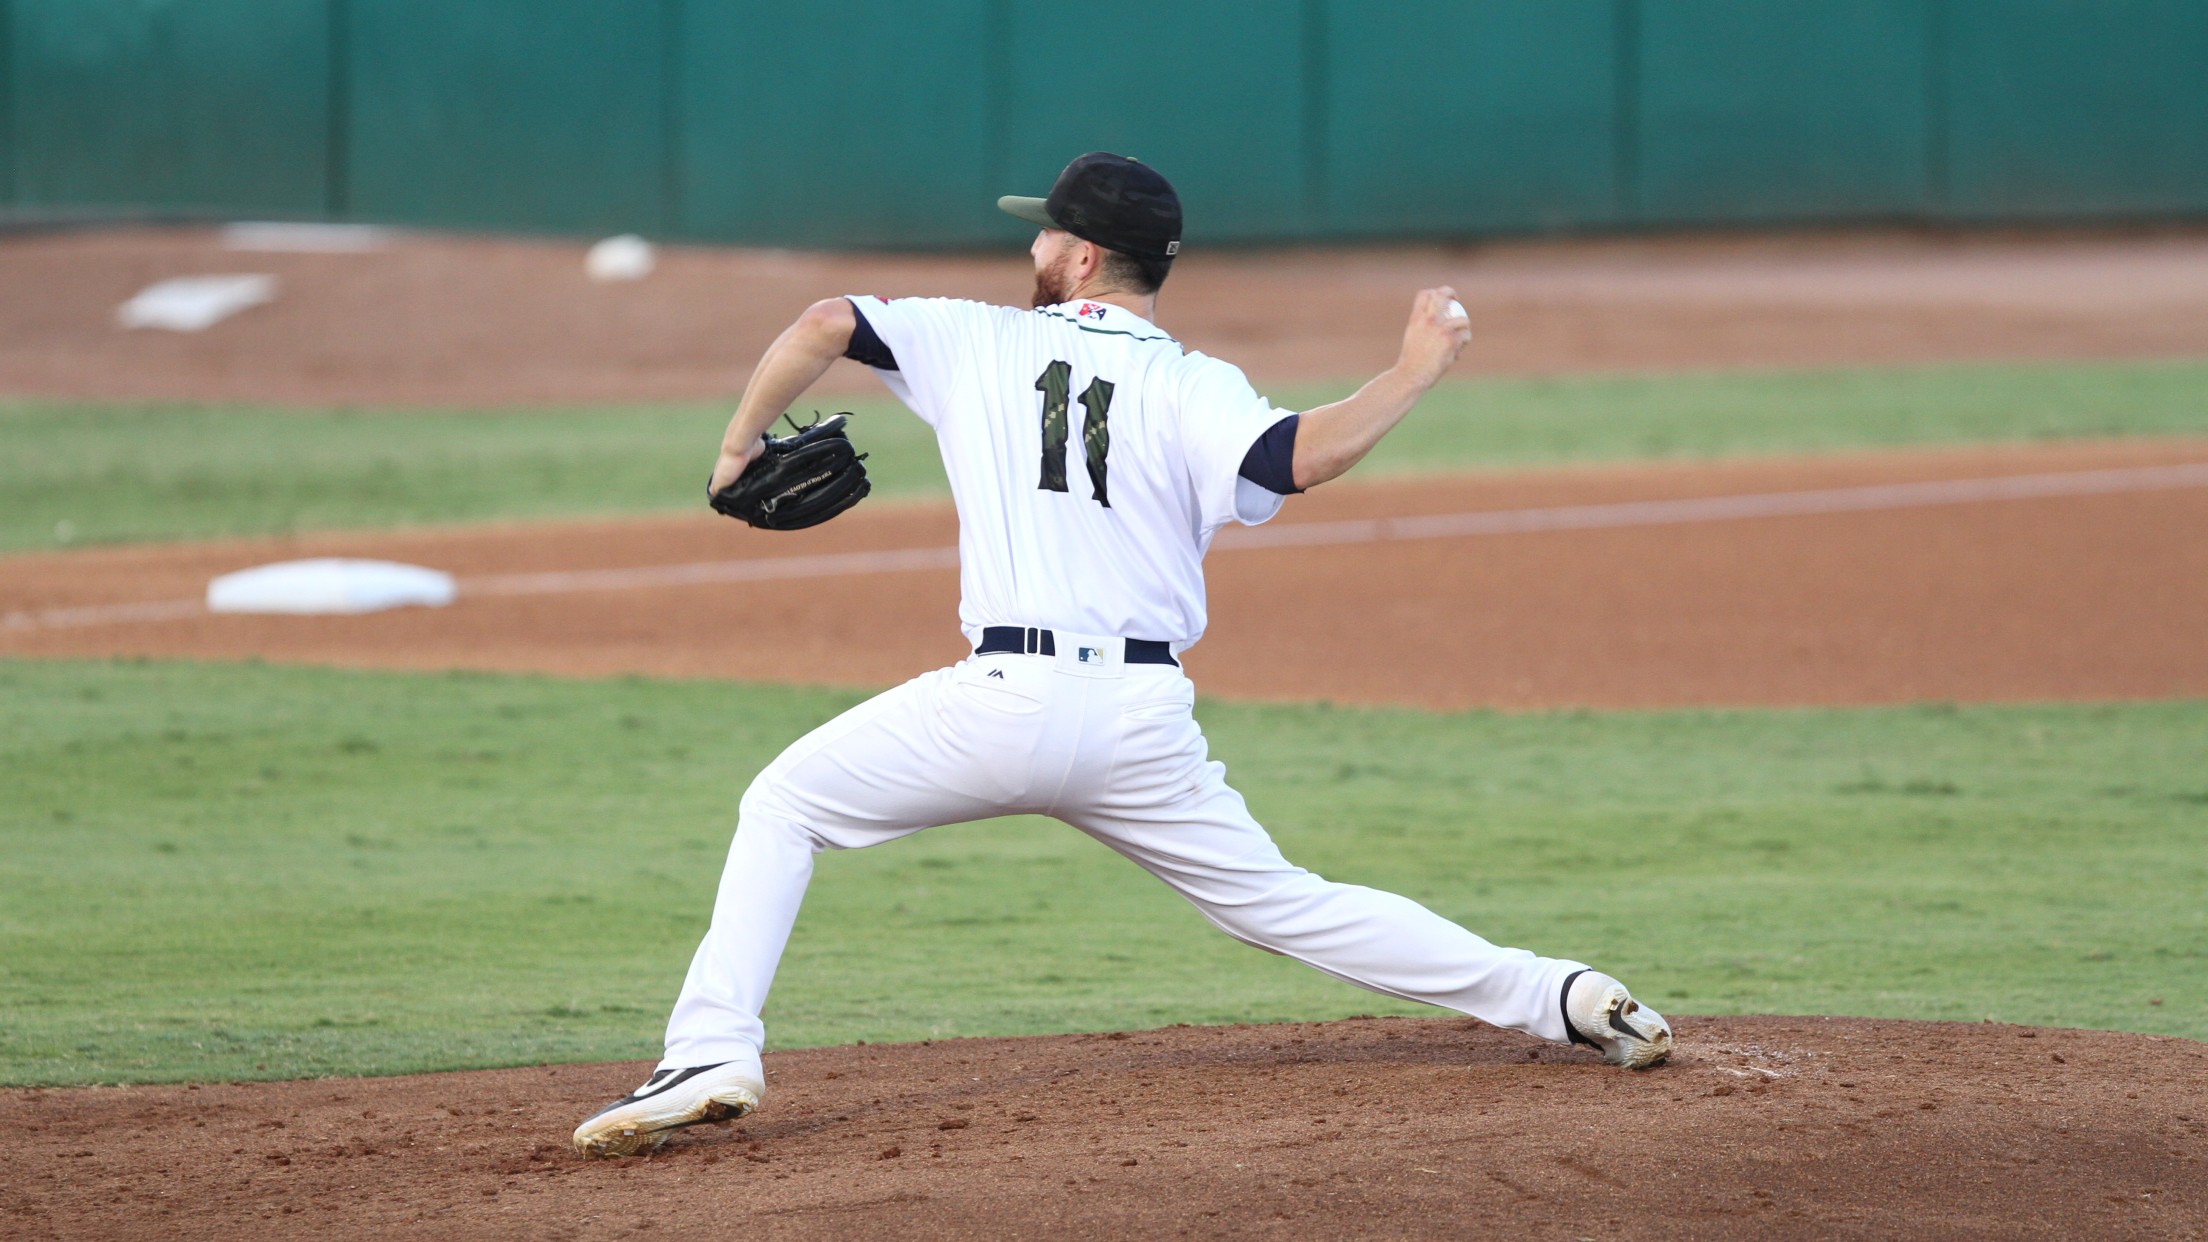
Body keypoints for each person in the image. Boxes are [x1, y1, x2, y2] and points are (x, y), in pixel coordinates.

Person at [573, 152, 1670, 1158]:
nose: (1034, 245)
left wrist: (736, 452)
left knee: (784, 805)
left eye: (1047, 232)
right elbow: (1299, 456)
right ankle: (1559, 994)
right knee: (1284, 903)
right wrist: (1413, 371)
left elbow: (824, 321)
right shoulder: (1195, 381)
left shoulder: (976, 338)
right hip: (1142, 725)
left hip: (1000, 704)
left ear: (1084, 256)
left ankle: (712, 1053)